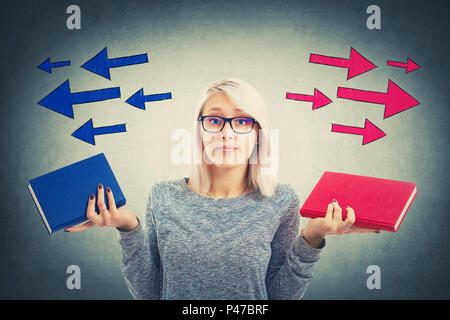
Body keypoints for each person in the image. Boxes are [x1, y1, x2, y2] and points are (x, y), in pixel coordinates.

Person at [65, 78, 377, 299]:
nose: (226, 133)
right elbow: (151, 294)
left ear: (258, 134)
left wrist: (313, 236)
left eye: (242, 122)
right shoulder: (162, 197)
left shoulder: (281, 200)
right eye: (214, 120)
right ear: (199, 130)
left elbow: (279, 295)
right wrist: (128, 226)